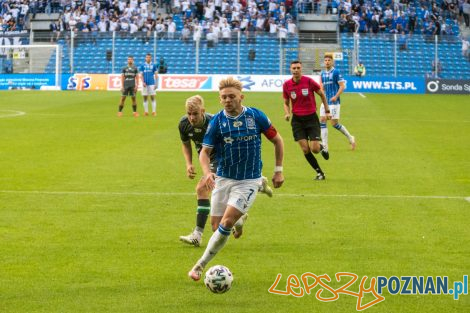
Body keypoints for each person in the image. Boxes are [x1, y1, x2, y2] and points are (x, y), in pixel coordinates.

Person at [188, 77, 284, 280]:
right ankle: (241, 220)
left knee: (226, 223)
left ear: (241, 96)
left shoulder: (256, 116)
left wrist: (278, 170)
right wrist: (207, 173)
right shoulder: (217, 122)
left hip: (248, 180)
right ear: (220, 99)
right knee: (216, 227)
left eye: (232, 96)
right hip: (223, 178)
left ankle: (199, 266)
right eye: (224, 97)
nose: (228, 100)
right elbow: (204, 152)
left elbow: (277, 140)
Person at [179, 94, 274, 248]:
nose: (191, 117)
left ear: (203, 111)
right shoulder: (183, 124)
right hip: (209, 159)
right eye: (189, 114)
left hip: (223, 159)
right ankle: (245, 207)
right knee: (216, 206)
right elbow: (186, 144)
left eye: (195, 114)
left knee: (202, 188)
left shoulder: (215, 121)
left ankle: (197, 234)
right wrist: (189, 163)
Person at [282, 60, 330, 181]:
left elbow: (322, 94)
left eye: (298, 68)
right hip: (297, 120)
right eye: (294, 68)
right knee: (305, 149)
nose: (296, 70)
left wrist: (327, 110)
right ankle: (320, 173)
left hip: (311, 118)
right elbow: (286, 103)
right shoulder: (287, 85)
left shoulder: (309, 81)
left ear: (301, 69)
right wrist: (287, 113)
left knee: (314, 149)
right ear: (290, 69)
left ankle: (322, 147)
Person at [320, 54, 356, 155]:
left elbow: (342, 86)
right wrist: (322, 99)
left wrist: (336, 96)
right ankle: (325, 146)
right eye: (325, 60)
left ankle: (350, 137)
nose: (327, 62)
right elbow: (322, 88)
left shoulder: (336, 72)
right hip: (325, 102)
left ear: (332, 62)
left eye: (329, 60)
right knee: (322, 121)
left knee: (334, 124)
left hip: (334, 102)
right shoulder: (322, 74)